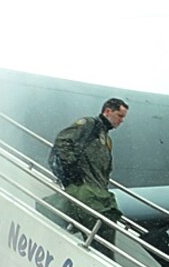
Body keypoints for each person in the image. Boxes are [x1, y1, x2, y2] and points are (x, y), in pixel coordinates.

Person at [46, 97, 128, 254]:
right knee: (102, 236)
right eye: (120, 115)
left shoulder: (107, 140)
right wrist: (72, 171)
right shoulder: (89, 125)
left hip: (95, 194)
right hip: (85, 193)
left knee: (103, 233)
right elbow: (63, 141)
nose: (121, 121)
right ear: (108, 111)